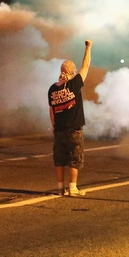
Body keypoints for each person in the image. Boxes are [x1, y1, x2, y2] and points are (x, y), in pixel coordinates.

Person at [48, 39, 92, 196]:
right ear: (72, 71)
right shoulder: (74, 84)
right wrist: (88, 48)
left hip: (59, 131)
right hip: (74, 130)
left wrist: (54, 127)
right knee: (75, 157)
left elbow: (52, 110)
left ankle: (60, 189)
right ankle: (73, 188)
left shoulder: (53, 89)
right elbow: (85, 65)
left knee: (59, 159)